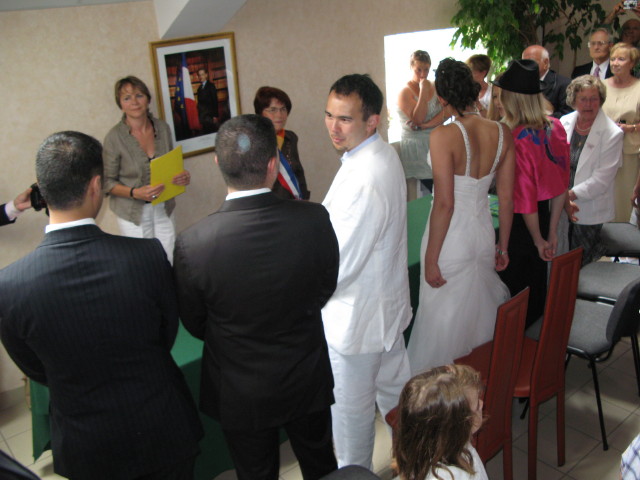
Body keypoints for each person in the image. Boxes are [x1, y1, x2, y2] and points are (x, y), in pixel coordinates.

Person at [0, 131, 203, 480]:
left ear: (42, 192)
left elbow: (36, 369)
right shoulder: (147, 256)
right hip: (162, 429)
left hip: (86, 445)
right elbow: (165, 335)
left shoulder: (9, 285)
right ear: (96, 186)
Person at [174, 114, 339, 480]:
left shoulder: (192, 243)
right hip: (304, 373)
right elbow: (324, 287)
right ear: (272, 164)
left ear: (217, 163)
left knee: (255, 473)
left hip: (239, 386)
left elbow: (196, 321)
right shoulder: (313, 219)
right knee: (321, 466)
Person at [322, 74, 412, 468]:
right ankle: (413, 467)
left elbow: (338, 264)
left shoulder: (363, 177)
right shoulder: (383, 154)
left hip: (357, 326)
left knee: (351, 427)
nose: (333, 127)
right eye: (329, 115)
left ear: (372, 121)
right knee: (400, 407)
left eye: (345, 119)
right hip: (385, 314)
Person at [407, 58, 515, 375]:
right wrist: (504, 245)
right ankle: (477, 383)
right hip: (483, 233)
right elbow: (507, 198)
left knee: (441, 319)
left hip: (451, 238)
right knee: (477, 314)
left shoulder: (444, 136)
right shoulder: (502, 131)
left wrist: (430, 259)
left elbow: (445, 204)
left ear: (442, 98)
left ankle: (442, 392)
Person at [494, 59, 570, 325]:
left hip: (522, 223)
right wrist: (551, 232)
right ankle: (539, 338)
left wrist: (538, 240)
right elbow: (561, 184)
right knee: (537, 286)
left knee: (517, 292)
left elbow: (524, 198)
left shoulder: (515, 136)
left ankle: (518, 341)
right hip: (546, 214)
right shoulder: (555, 126)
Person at [103, 76, 191, 264]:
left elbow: (171, 164)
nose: (134, 102)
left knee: (170, 259)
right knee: (143, 263)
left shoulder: (163, 128)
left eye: (139, 95)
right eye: (127, 98)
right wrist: (135, 193)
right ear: (120, 104)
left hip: (163, 207)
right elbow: (107, 183)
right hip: (133, 212)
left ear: (148, 99)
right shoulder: (114, 137)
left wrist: (182, 177)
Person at [560, 75, 623, 265]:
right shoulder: (564, 122)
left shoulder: (612, 133)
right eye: (583, 99)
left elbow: (602, 179)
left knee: (581, 261)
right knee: (560, 254)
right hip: (560, 203)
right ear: (573, 100)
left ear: (601, 100)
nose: (588, 104)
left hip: (589, 207)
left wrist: (568, 196)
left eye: (593, 99)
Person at [392, 365, 488, 480]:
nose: (482, 404)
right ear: (455, 428)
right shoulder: (447, 476)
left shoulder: (451, 446)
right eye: (477, 406)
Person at [602, 43, 640, 222]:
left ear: (632, 63)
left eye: (621, 59)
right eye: (613, 59)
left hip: (629, 151)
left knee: (622, 199)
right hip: (603, 149)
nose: (615, 63)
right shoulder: (601, 86)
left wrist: (631, 128)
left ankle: (622, 233)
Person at [397, 50, 444, 192]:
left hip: (436, 143)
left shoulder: (436, 87)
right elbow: (418, 118)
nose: (423, 74)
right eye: (419, 70)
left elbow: (448, 111)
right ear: (411, 67)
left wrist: (426, 125)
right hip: (417, 148)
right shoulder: (405, 92)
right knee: (427, 191)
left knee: (442, 187)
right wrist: (423, 89)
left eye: (426, 70)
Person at [254, 86, 310, 199]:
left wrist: (304, 199)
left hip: (293, 203)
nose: (279, 115)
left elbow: (298, 172)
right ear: (260, 113)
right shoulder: (254, 141)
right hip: (268, 205)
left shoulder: (291, 138)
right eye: (273, 110)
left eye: (283, 109)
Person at [522, 45, 573, 118]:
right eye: (524, 63)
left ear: (545, 63)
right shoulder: (521, 84)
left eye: (531, 62)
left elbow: (567, 115)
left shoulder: (564, 84)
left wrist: (539, 118)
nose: (526, 67)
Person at [196, 68, 219, 134]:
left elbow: (215, 101)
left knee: (211, 133)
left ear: (206, 75)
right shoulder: (199, 88)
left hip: (210, 116)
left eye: (202, 74)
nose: (201, 77)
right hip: (202, 117)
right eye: (199, 75)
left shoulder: (211, 86)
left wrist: (215, 116)